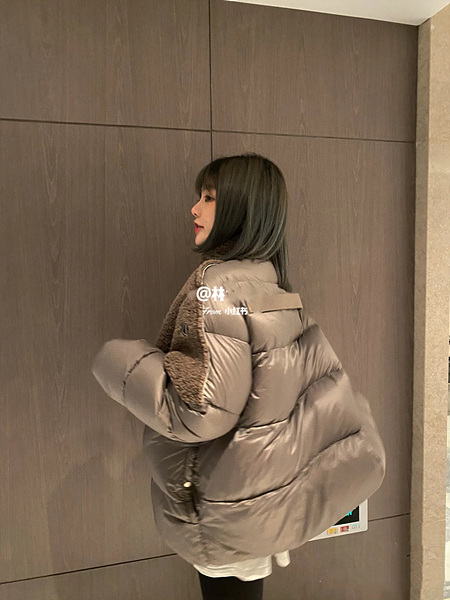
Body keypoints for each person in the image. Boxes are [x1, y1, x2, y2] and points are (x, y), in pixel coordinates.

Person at [91, 153, 386, 600]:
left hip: (227, 504)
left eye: (209, 198)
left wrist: (121, 362)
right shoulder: (269, 282)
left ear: (241, 209)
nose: (195, 208)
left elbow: (202, 410)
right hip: (260, 496)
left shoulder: (215, 290)